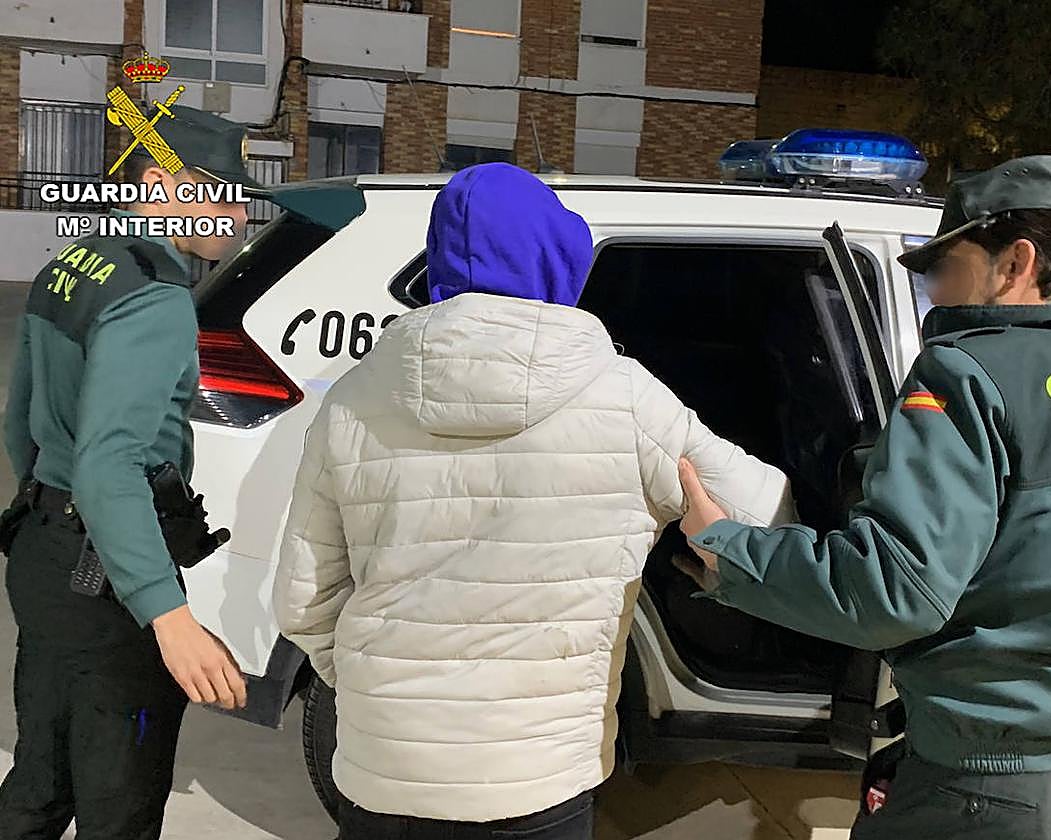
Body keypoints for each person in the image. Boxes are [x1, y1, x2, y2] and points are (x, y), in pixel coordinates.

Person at [676, 155, 1051, 839]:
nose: (932, 293)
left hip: (992, 791)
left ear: (1015, 264)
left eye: (942, 268)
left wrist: (728, 552)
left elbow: (895, 590)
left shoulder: (968, 373)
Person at [272, 162, 794, 840]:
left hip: (383, 771)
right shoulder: (627, 399)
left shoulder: (352, 398)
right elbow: (764, 519)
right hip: (539, 777)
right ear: (556, 257)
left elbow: (301, 599)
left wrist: (382, 690)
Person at [0, 106, 256, 840]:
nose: (236, 211)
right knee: (121, 807)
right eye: (218, 192)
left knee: (40, 783)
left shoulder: (75, 264)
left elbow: (21, 421)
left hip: (49, 557)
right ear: (158, 185)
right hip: (105, 584)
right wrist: (167, 617)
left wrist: (50, 515)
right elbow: (110, 463)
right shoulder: (156, 298)